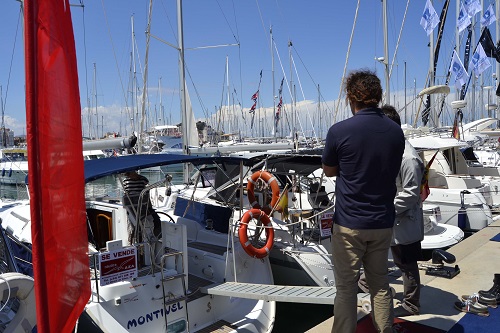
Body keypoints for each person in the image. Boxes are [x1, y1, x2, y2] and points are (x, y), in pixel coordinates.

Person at [322, 69, 405, 333]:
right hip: (382, 222)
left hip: (350, 224)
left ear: (351, 97)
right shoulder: (395, 133)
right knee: (380, 285)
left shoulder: (339, 131)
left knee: (346, 289)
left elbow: (330, 170)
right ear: (378, 97)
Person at [358, 105, 425, 317]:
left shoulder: (408, 158)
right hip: (388, 217)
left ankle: (411, 305)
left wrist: (386, 206)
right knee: (374, 253)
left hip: (403, 220)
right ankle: (366, 283)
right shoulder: (392, 149)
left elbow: (412, 193)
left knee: (405, 262)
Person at [122, 170, 162, 243]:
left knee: (156, 220)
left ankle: (153, 237)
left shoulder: (143, 179)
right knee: (136, 226)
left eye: (129, 174)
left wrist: (149, 205)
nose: (129, 176)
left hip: (144, 204)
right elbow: (126, 194)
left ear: (133, 172)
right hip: (132, 206)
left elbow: (147, 192)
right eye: (127, 175)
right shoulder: (125, 181)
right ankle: (138, 240)